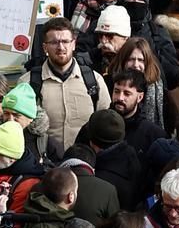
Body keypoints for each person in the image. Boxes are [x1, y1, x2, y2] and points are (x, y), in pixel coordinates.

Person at [21, 16, 111, 158]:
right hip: (45, 167)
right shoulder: (27, 84)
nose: (61, 47)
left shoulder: (94, 81)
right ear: (45, 47)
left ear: (74, 44)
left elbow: (106, 126)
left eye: (65, 41)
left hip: (87, 165)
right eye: (54, 42)